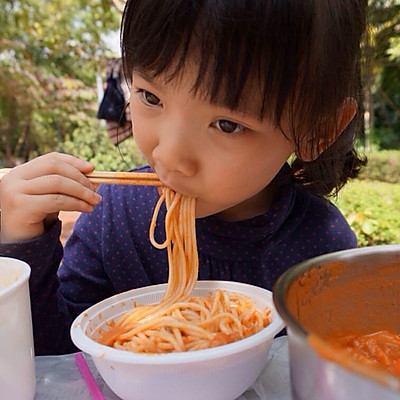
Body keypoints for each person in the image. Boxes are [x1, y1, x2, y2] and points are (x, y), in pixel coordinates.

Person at [0, 0, 367, 355]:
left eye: (227, 125)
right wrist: (22, 240)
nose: (168, 155)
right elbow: (59, 355)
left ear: (317, 130)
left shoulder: (322, 249)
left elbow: (340, 362)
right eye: (150, 96)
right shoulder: (112, 216)